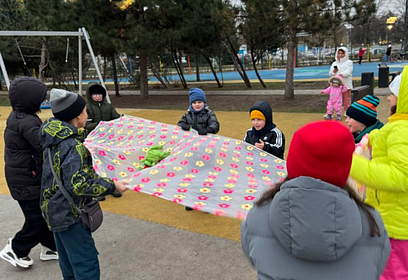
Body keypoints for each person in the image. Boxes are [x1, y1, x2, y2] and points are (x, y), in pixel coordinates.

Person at [241, 121, 390, 280]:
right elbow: (379, 264)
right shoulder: (372, 223)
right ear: (345, 166)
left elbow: (252, 254)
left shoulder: (259, 214)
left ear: (293, 162)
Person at [40, 89, 128, 279]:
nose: (86, 114)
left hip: (54, 211)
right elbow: (78, 185)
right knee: (85, 263)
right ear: (78, 115)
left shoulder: (53, 138)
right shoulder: (72, 145)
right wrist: (112, 186)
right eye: (85, 111)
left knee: (68, 262)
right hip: (70, 215)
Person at [350, 66, 408, 280]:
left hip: (396, 227)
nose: (388, 99)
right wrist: (374, 138)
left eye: (393, 94)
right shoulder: (398, 127)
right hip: (395, 221)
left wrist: (354, 165)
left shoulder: (403, 129)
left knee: (391, 274)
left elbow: (401, 175)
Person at [0, 77, 58, 269]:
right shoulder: (25, 121)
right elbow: (43, 142)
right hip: (26, 180)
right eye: (40, 99)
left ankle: (50, 247)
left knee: (43, 215)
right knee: (37, 219)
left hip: (28, 177)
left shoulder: (22, 116)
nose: (42, 102)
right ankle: (16, 249)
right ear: (30, 100)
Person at [178, 88, 219, 211]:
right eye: (194, 102)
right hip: (192, 152)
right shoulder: (187, 114)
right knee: (193, 176)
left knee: (207, 175)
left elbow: (215, 125)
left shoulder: (209, 114)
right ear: (191, 104)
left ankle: (208, 201)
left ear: (204, 102)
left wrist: (207, 130)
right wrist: (186, 127)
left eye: (199, 102)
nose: (197, 105)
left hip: (207, 151)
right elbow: (179, 124)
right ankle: (193, 199)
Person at [85, 82, 122, 199]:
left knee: (109, 163)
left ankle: (112, 187)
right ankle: (99, 189)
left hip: (109, 140)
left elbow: (115, 118)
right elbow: (86, 124)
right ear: (90, 96)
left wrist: (120, 119)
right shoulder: (88, 108)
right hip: (94, 141)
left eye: (99, 94)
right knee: (97, 164)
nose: (97, 97)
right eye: (95, 95)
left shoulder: (108, 106)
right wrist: (100, 125)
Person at [329, 47, 353, 116]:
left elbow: (349, 71)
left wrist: (342, 74)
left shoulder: (349, 62)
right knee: (334, 99)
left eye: (342, 53)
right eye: (339, 53)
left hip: (346, 84)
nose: (340, 55)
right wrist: (334, 72)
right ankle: (331, 112)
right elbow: (330, 73)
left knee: (347, 99)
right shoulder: (334, 63)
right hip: (336, 85)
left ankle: (347, 111)